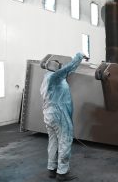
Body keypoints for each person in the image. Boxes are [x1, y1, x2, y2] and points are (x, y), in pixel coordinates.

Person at [40, 52, 88, 181]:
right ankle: (62, 172)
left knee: (53, 141)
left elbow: (67, 71)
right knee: (65, 141)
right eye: (59, 66)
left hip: (49, 114)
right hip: (59, 114)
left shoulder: (47, 78)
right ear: (55, 68)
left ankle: (51, 169)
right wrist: (79, 56)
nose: (61, 67)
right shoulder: (54, 78)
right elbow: (67, 69)